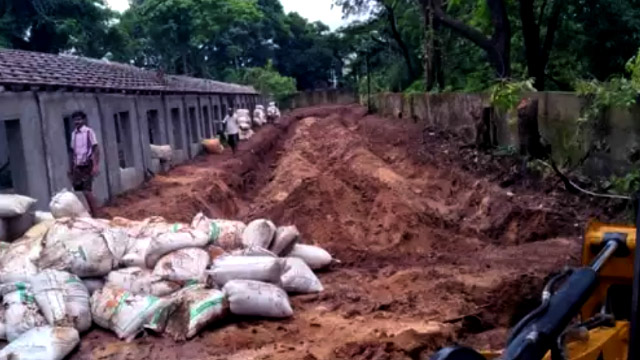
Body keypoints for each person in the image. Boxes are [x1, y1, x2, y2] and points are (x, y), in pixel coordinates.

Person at [68, 111, 100, 216]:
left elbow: (96, 148)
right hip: (78, 165)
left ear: (84, 120)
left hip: (87, 164)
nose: (77, 122)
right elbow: (72, 151)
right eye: (75, 120)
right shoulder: (73, 134)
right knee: (78, 189)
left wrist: (95, 165)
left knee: (87, 190)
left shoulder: (89, 132)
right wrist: (71, 167)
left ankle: (96, 215)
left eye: (79, 119)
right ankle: (86, 213)